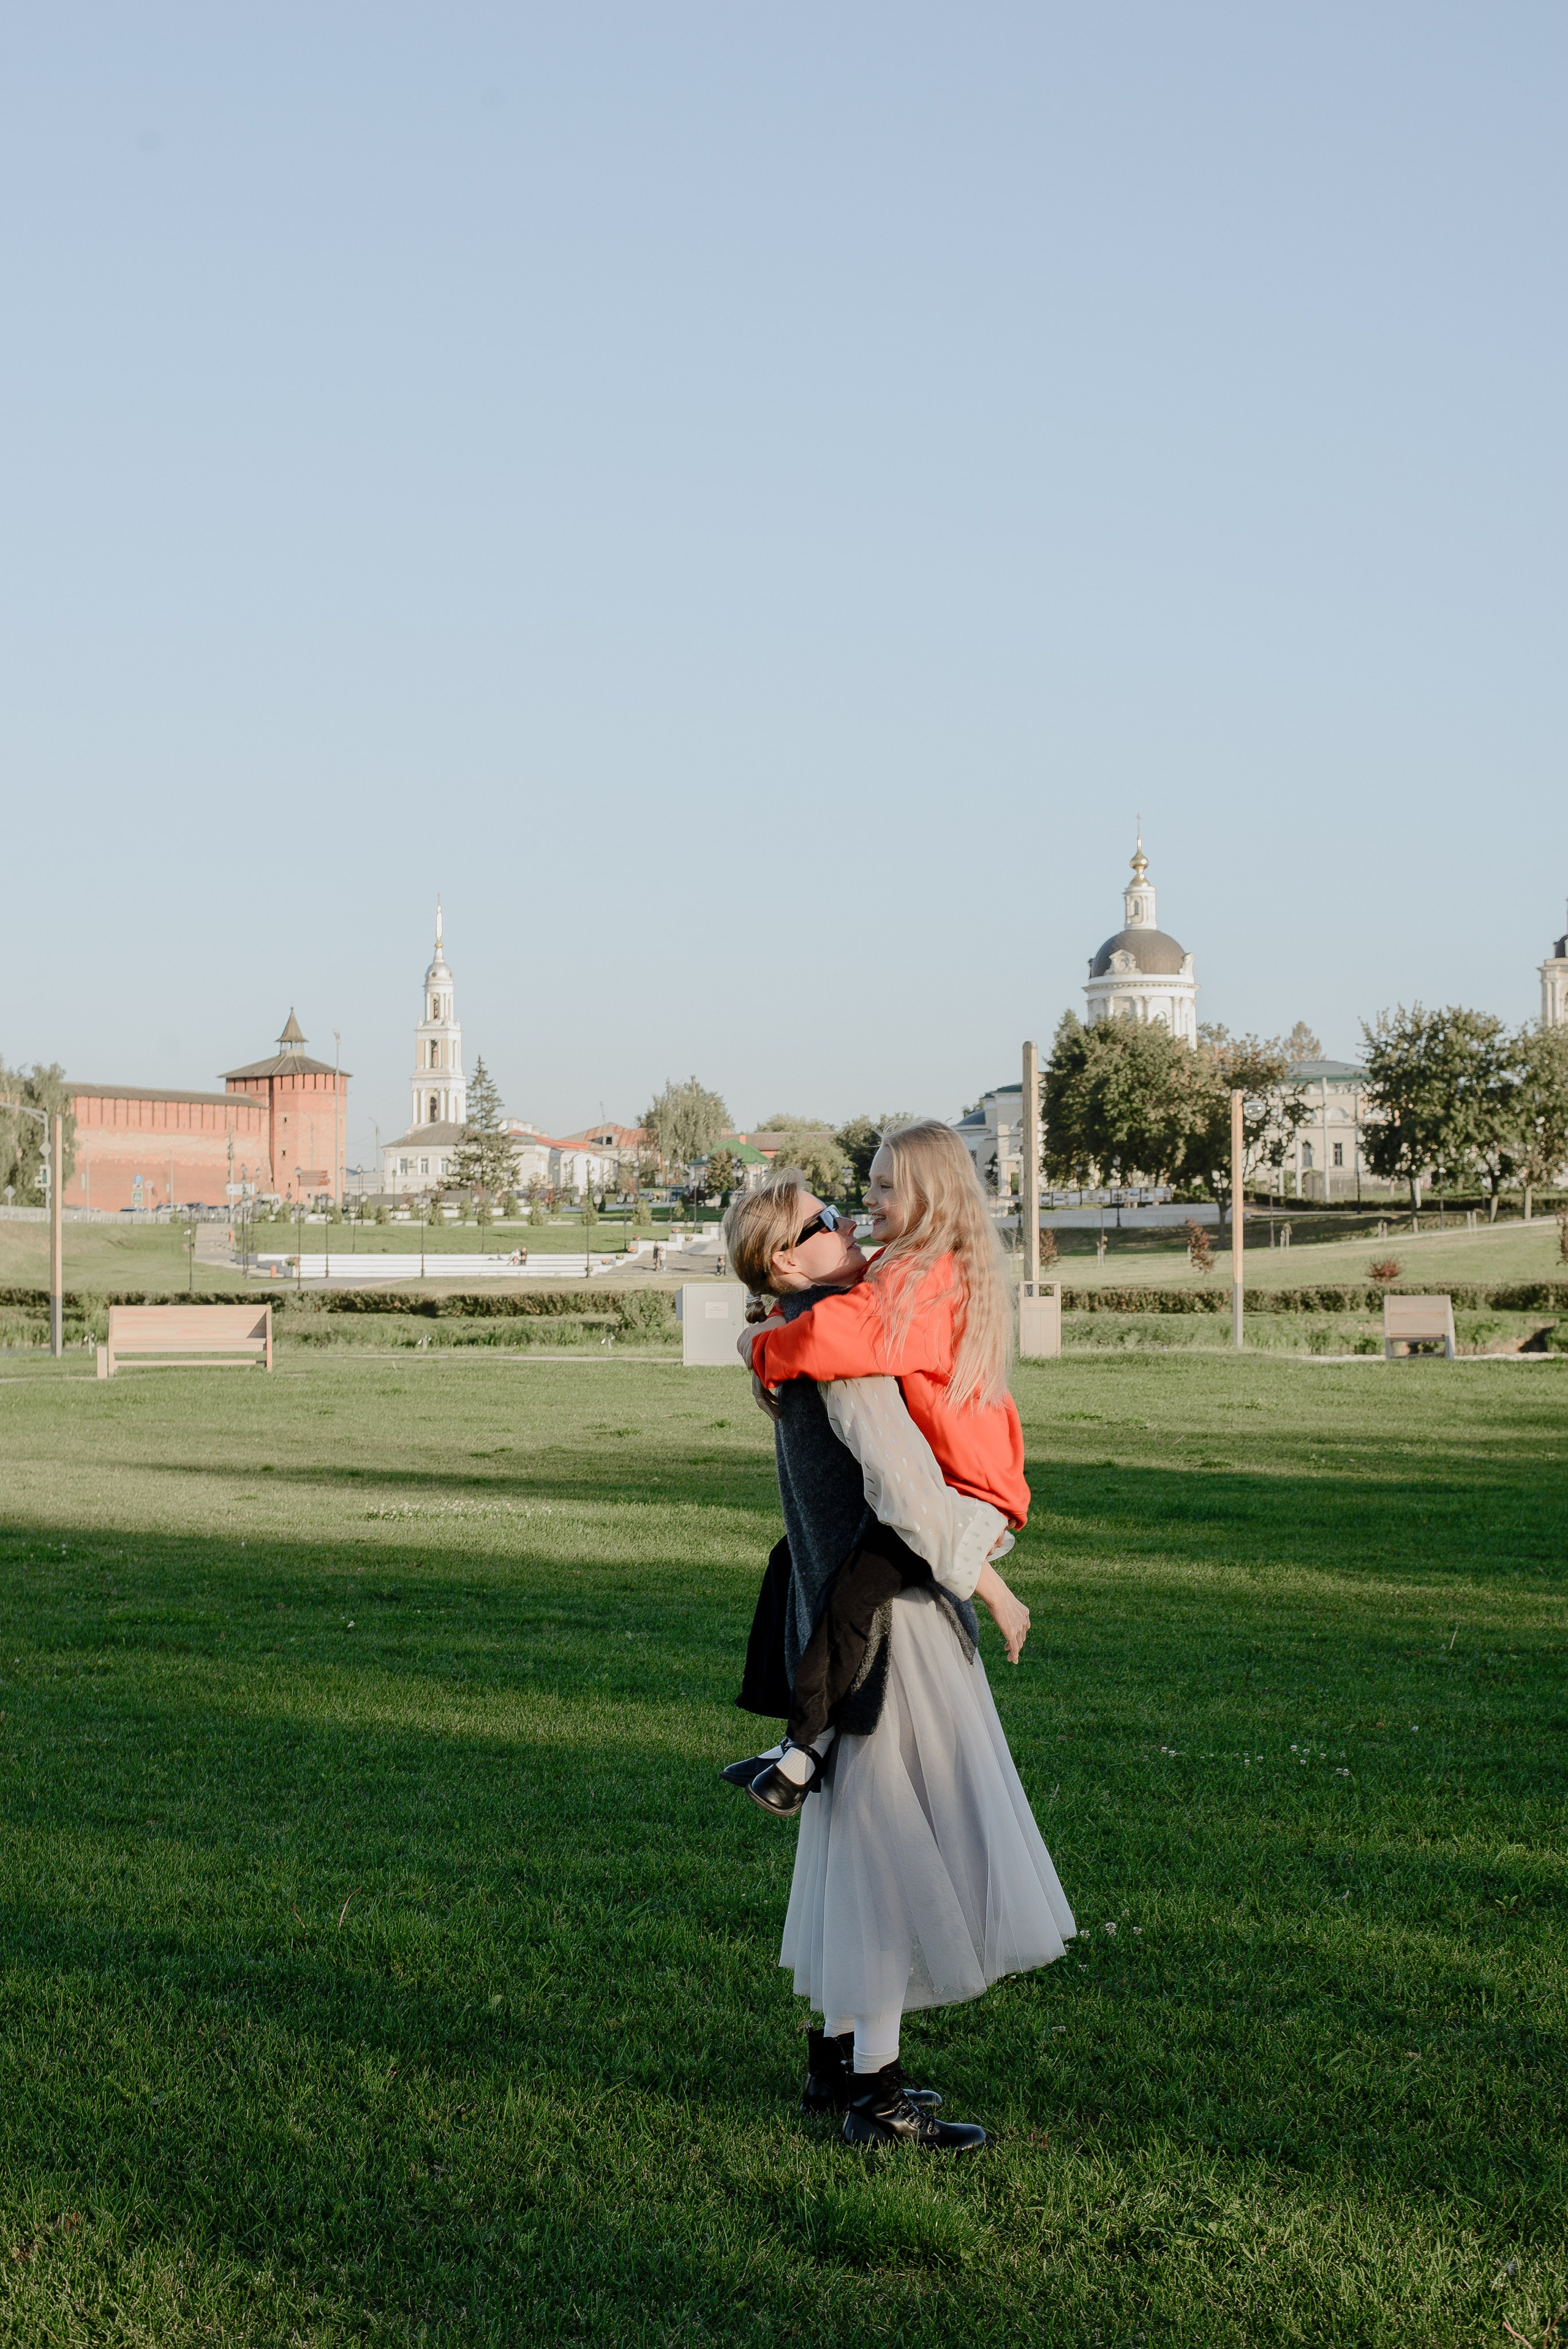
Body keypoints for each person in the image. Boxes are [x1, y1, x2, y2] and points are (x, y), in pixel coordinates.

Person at [741, 1123, 1076, 2151]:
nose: (853, 1216)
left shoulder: (821, 1322)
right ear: (791, 1257)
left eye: (868, 1200)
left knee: (858, 1844)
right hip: (893, 1625)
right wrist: (992, 1589)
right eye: (831, 1216)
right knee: (893, 1851)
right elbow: (905, 1490)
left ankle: (839, 2059)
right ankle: (874, 2097)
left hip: (842, 1607)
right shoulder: (842, 1348)